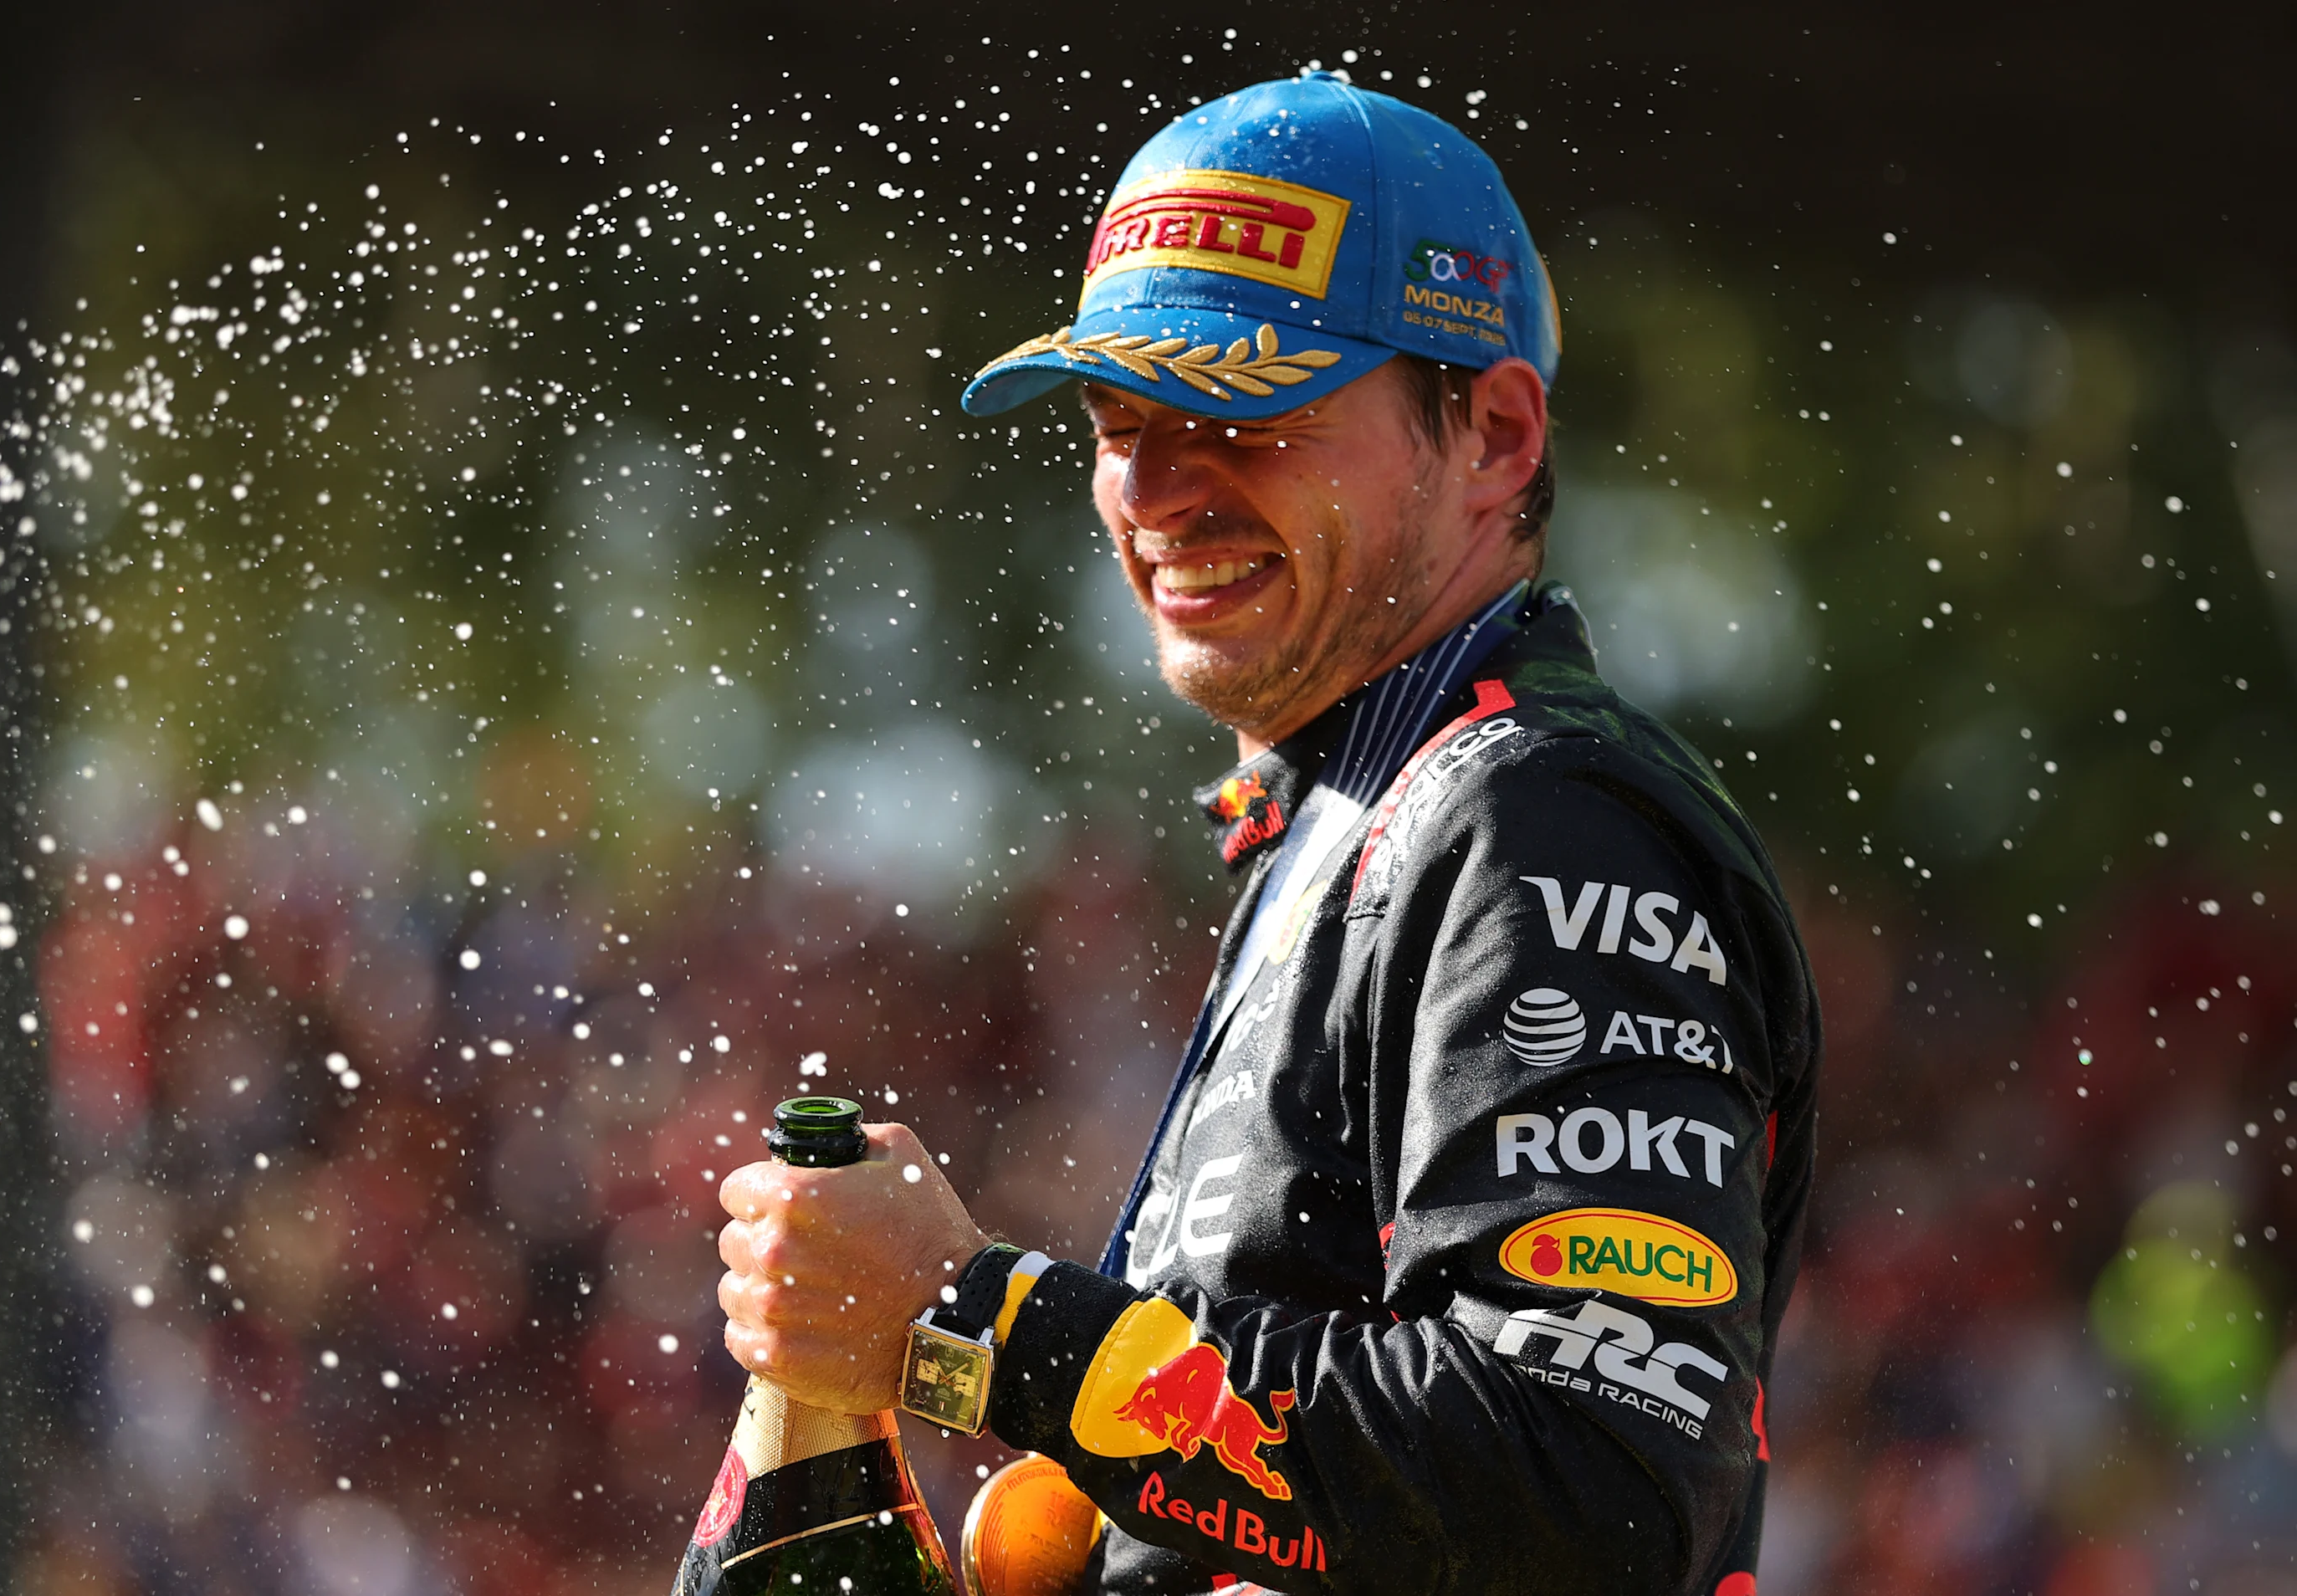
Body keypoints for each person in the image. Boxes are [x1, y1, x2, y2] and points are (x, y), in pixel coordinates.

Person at [714, 73, 1818, 1596]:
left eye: (1242, 408)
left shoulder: (1537, 815)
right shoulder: (1358, 813)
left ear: (1494, 435)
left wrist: (974, 1318)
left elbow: (1587, 1499)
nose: (1157, 491)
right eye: (1118, 420)